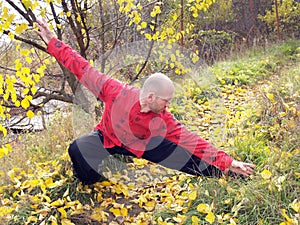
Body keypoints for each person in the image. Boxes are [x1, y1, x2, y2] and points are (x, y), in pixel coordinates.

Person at [35, 19, 255, 185]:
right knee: (76, 148)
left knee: (184, 155)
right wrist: (53, 42)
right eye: (165, 101)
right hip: (109, 136)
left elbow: (193, 141)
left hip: (145, 144)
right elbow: (82, 68)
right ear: (150, 97)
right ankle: (93, 180)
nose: (168, 106)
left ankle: (226, 174)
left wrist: (228, 162)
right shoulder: (115, 91)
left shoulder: (163, 119)